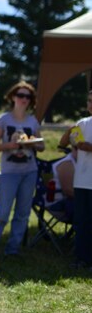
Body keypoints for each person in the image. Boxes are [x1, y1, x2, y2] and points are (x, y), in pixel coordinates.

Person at [0, 81, 45, 257]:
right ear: (12, 97)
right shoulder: (4, 120)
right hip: (10, 172)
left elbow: (42, 147)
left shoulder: (33, 121)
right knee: (3, 211)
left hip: (29, 171)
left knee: (23, 213)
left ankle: (13, 249)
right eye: (20, 95)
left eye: (27, 96)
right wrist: (10, 145)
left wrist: (33, 144)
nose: (24, 99)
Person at [63, 90, 92, 268]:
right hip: (82, 180)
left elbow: (85, 146)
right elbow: (64, 143)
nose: (91, 104)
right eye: (89, 100)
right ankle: (82, 258)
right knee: (82, 221)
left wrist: (87, 146)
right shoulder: (82, 123)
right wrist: (69, 133)